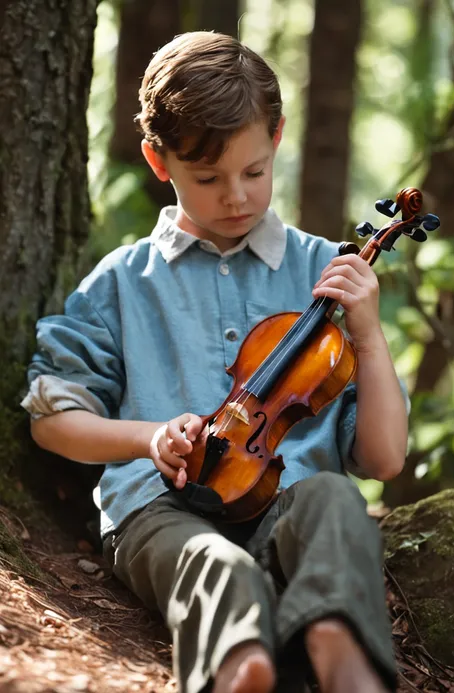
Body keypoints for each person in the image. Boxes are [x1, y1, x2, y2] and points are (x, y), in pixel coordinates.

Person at [22, 31, 409, 693]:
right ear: (158, 159)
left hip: (287, 506)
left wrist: (368, 339)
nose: (237, 196)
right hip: (161, 511)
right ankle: (240, 667)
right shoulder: (124, 282)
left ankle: (342, 654)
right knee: (214, 565)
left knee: (335, 501)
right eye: (208, 178)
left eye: (254, 172)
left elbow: (383, 459)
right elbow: (53, 416)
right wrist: (147, 438)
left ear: (278, 137)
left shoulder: (323, 271)